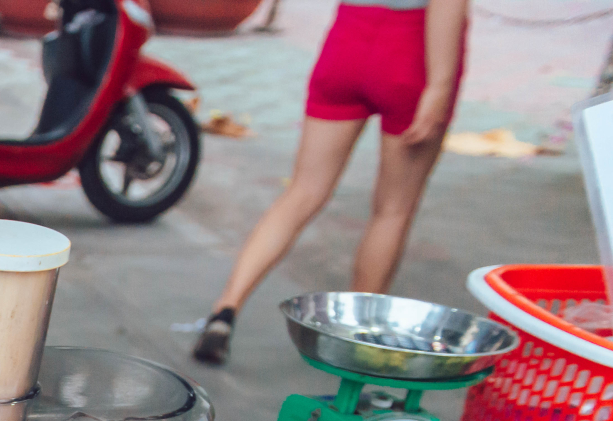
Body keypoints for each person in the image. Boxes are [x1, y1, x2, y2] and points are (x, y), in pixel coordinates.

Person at [192, 0, 470, 365]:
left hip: (348, 40)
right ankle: (357, 343)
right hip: (413, 52)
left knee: (302, 192)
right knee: (392, 211)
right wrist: (440, 86)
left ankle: (224, 311)